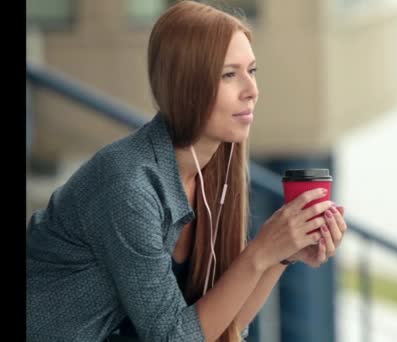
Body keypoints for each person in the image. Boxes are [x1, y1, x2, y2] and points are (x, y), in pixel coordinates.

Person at [25, 1, 348, 341]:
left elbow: (225, 326)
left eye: (252, 71)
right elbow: (174, 338)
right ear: (187, 86)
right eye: (229, 75)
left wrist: (281, 255)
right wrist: (259, 252)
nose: (252, 91)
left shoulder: (216, 171)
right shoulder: (129, 186)